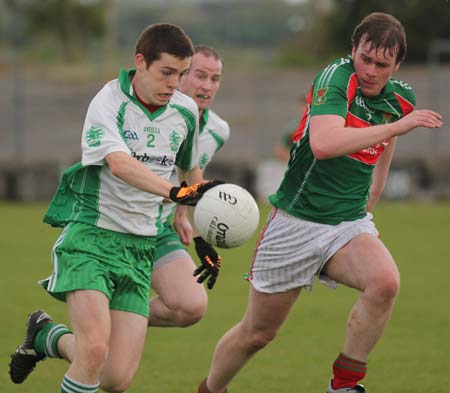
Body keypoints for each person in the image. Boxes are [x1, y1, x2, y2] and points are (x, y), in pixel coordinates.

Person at [197, 12, 443, 393]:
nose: (371, 71)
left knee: (385, 283)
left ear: (397, 66)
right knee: (257, 333)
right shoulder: (335, 78)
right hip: (296, 221)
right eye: (365, 58)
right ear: (353, 50)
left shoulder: (399, 98)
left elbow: (386, 144)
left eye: (382, 64)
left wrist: (371, 199)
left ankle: (343, 385)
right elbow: (324, 144)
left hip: (346, 223)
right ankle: (210, 388)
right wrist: (397, 127)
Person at [8, 23, 222, 393]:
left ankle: (48, 337)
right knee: (93, 350)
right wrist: (176, 194)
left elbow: (191, 171)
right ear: (140, 62)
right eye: (167, 72)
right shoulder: (109, 102)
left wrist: (198, 229)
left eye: (181, 74)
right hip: (93, 239)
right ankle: (76, 339)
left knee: (113, 378)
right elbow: (120, 165)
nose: (175, 84)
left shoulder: (185, 112)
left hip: (140, 249)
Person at [148, 45, 230, 328]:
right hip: (120, 226)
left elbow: (191, 174)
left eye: (215, 79)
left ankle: (119, 318)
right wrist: (177, 197)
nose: (208, 86)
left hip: (157, 231)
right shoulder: (153, 117)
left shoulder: (217, 130)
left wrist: (186, 219)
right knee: (108, 360)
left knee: (191, 305)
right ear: (181, 76)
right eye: (200, 76)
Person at [273, 95, 307, 162]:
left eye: (307, 105)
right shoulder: (293, 128)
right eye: (302, 105)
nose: (305, 108)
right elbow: (280, 150)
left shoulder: (318, 126)